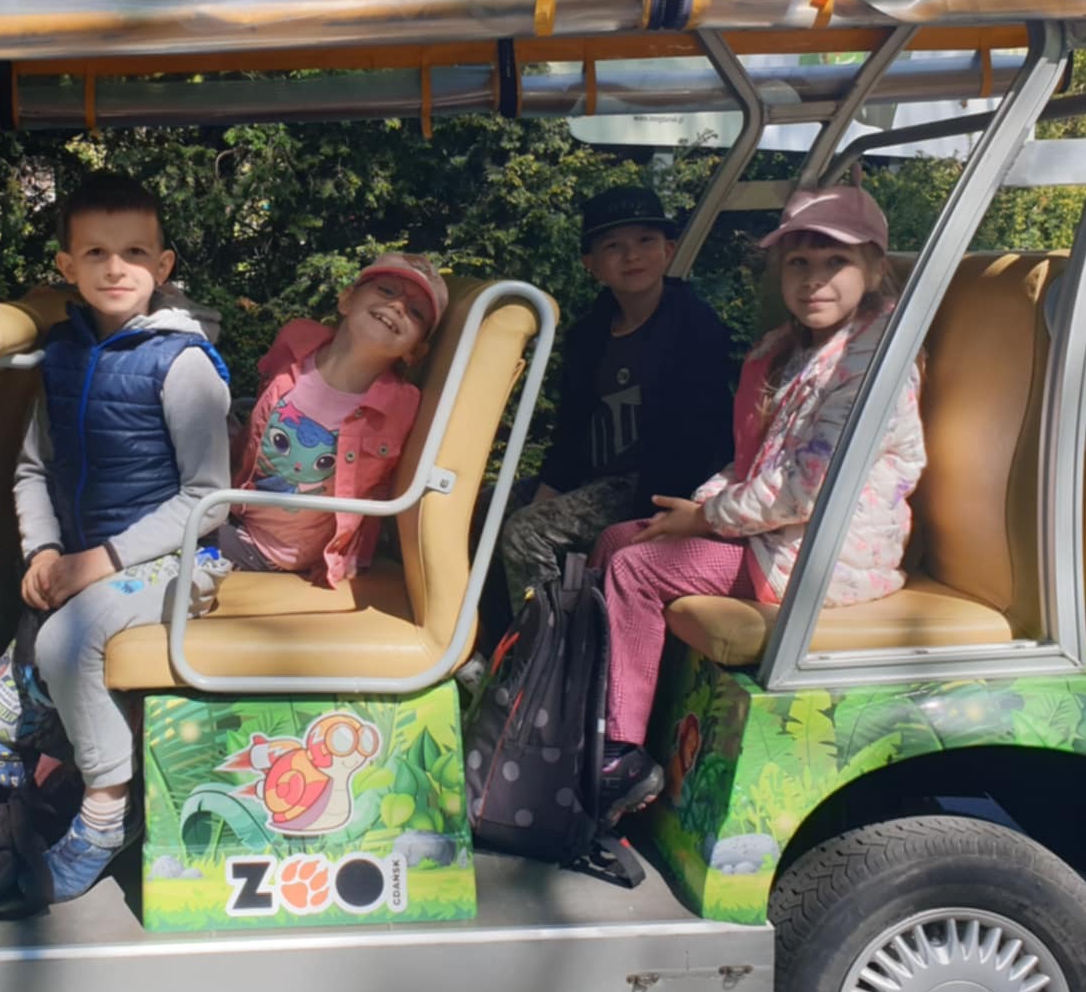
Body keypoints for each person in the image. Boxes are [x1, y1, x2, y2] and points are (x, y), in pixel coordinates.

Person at [589, 187, 925, 821]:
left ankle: (619, 755)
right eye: (799, 263)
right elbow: (759, 463)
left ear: (875, 268)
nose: (814, 279)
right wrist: (697, 507)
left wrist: (704, 519)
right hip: (782, 535)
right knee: (617, 540)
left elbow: (808, 488)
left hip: (826, 555)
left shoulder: (872, 367)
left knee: (637, 568)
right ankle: (595, 707)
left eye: (835, 262)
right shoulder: (804, 350)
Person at [12, 174, 232, 904]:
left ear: (162, 266)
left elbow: (207, 500)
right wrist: (44, 551)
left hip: (180, 561)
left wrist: (95, 563)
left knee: (64, 643)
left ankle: (105, 815)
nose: (116, 268)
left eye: (135, 252)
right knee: (7, 688)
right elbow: (33, 467)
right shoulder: (61, 355)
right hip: (80, 559)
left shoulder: (182, 362)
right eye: (96, 253)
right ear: (66, 266)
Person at [496, 185, 734, 606]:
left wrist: (666, 509)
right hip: (595, 476)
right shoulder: (588, 336)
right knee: (488, 509)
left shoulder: (695, 327)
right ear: (591, 264)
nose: (632, 256)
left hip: (654, 482)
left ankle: (549, 640)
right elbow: (571, 431)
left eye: (646, 240)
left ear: (669, 250)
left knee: (527, 531)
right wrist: (549, 490)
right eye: (613, 246)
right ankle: (487, 629)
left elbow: (698, 434)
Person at [220, 253, 445, 586]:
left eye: (415, 312)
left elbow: (380, 486)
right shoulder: (295, 341)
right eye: (386, 290)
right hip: (233, 505)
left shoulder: (401, 405)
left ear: (415, 351)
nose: (398, 306)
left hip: (274, 549)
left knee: (167, 533)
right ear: (346, 299)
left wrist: (357, 551)